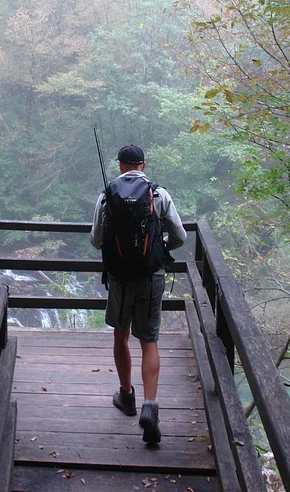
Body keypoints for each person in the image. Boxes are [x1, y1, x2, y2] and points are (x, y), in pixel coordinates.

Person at [90, 144, 186, 444]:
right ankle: (150, 406)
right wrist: (157, 250)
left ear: (120, 166)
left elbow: (95, 240)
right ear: (143, 165)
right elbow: (180, 237)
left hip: (119, 278)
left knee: (121, 334)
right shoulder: (159, 195)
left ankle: (126, 396)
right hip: (150, 277)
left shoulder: (106, 196)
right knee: (149, 340)